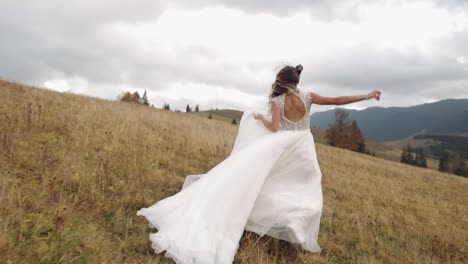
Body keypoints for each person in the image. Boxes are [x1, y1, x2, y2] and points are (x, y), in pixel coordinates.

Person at [136, 64, 381, 264]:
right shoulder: (308, 97)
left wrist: (260, 117)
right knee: (304, 186)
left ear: (281, 81)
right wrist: (367, 95)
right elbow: (337, 100)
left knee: (272, 183)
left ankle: (286, 221)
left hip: (283, 145)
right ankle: (294, 222)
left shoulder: (278, 101)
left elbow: (274, 127)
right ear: (297, 82)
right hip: (303, 147)